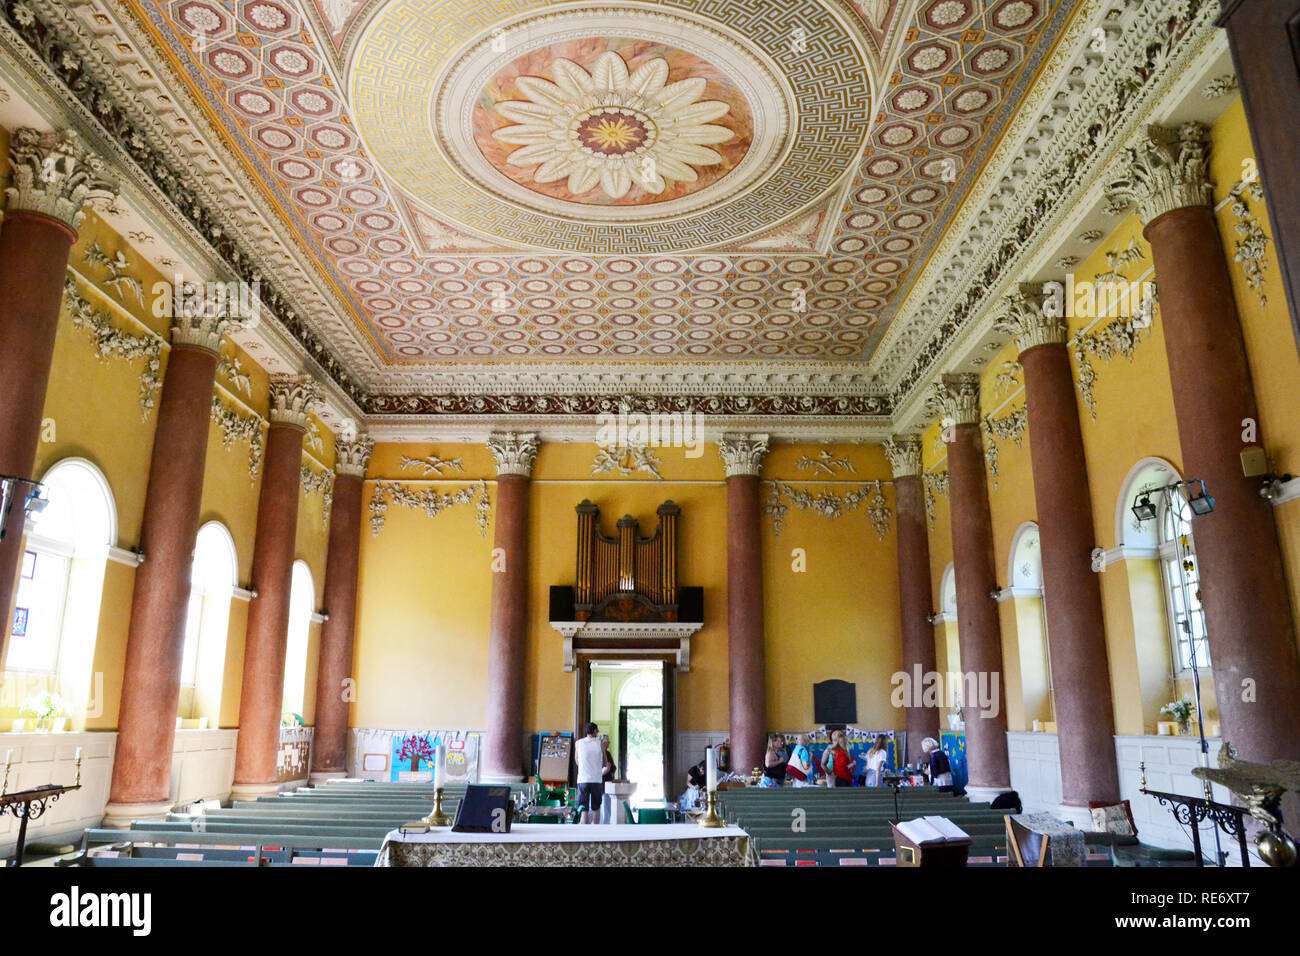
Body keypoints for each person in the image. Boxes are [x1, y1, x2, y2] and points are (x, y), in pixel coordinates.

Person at [574, 722, 604, 824]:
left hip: (583, 779)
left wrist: (584, 766)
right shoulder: (600, 743)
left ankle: (585, 834)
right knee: (596, 808)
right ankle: (597, 832)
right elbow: (604, 762)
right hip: (596, 779)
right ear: (595, 731)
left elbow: (577, 760)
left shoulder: (578, 743)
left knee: (584, 810)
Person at [599, 734, 617, 823]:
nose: (609, 744)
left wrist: (610, 769)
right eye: (607, 742)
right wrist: (606, 770)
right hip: (600, 783)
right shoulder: (598, 753)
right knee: (603, 808)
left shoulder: (608, 753)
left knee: (607, 808)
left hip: (607, 783)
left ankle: (606, 824)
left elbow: (612, 767)